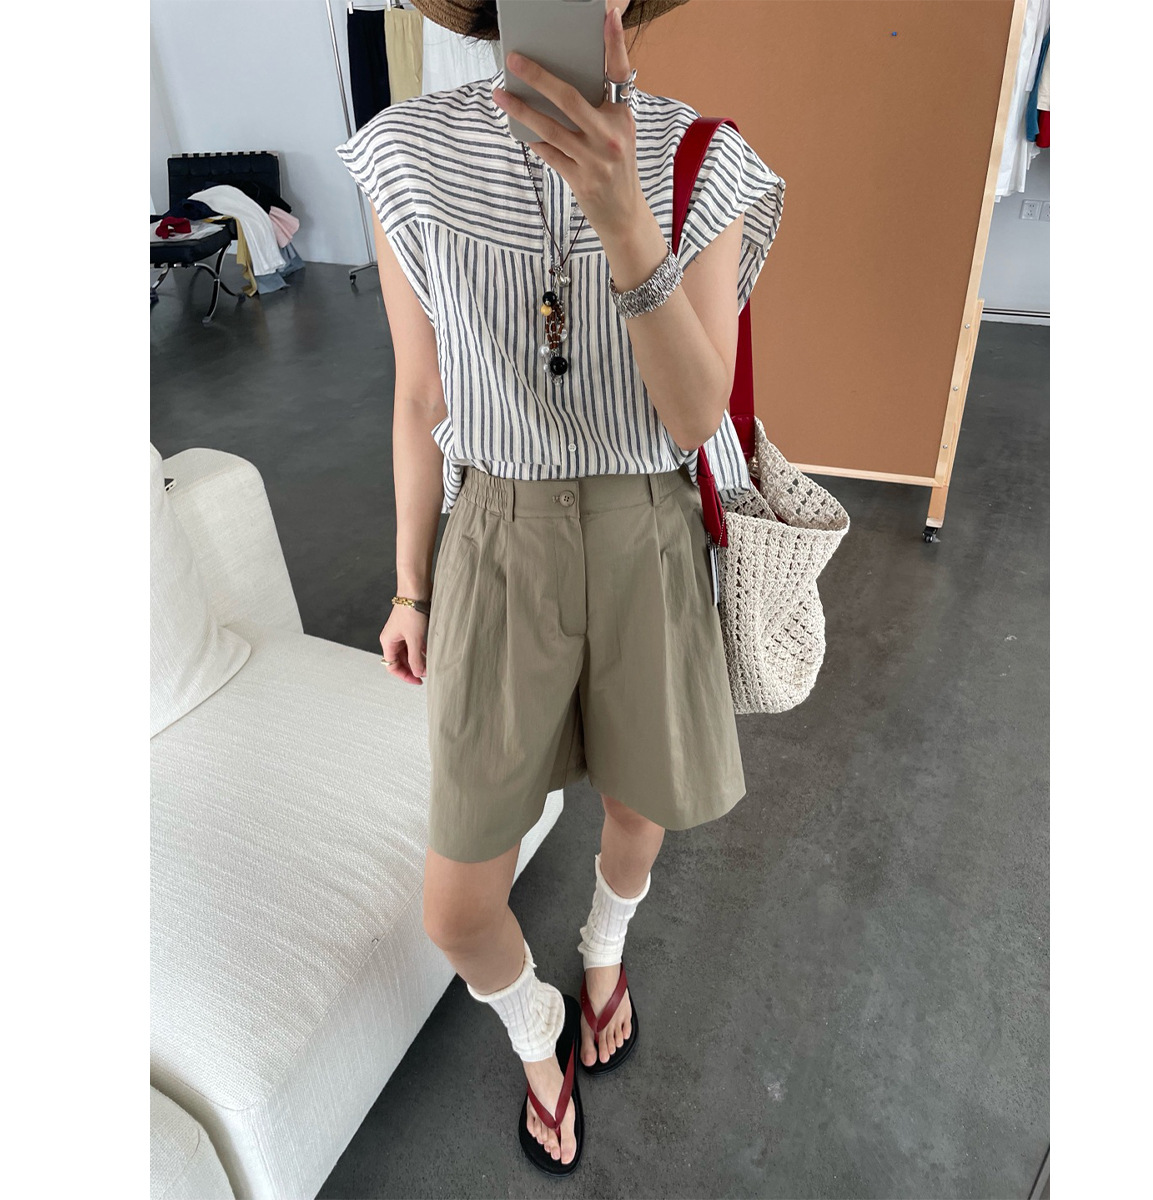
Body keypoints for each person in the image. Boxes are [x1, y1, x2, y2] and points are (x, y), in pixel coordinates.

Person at [336, 0, 785, 1175]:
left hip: (648, 529)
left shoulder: (704, 158)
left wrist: (625, 214)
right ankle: (536, 1025)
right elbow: (420, 394)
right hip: (497, 534)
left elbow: (697, 418)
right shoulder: (405, 154)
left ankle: (603, 945)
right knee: (457, 904)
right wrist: (411, 588)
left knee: (640, 809)